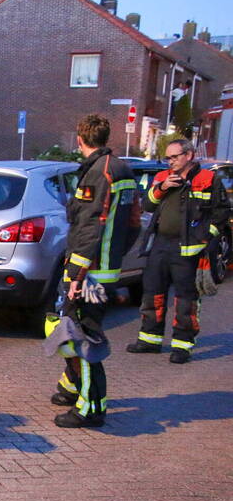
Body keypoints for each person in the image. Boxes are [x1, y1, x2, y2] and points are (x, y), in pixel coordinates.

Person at [46, 114, 139, 428]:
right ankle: (72, 387)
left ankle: (91, 409)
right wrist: (115, 257)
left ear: (79, 139)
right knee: (74, 329)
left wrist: (76, 274)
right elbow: (134, 223)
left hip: (89, 273)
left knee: (84, 337)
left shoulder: (98, 173)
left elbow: (89, 228)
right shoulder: (122, 169)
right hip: (106, 268)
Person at [127, 138, 228, 363]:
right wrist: (162, 188)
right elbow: (147, 205)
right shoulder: (163, 177)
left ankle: (182, 346)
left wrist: (205, 237)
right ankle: (150, 340)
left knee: (185, 299)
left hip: (189, 249)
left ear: (189, 155)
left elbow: (221, 213)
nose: (170, 162)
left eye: (174, 157)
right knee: (152, 292)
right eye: (168, 158)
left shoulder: (208, 179)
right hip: (160, 244)